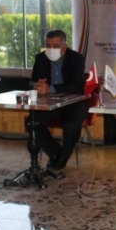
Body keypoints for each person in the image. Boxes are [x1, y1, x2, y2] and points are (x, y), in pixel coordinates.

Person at [30, 29, 87, 171]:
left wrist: (51, 89)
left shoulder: (76, 58)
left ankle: (63, 157)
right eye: (48, 46)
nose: (51, 49)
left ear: (64, 46)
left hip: (74, 102)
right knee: (32, 122)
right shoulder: (40, 58)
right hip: (49, 103)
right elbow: (31, 81)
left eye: (55, 46)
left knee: (71, 125)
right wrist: (37, 85)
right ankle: (56, 154)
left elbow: (76, 84)